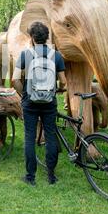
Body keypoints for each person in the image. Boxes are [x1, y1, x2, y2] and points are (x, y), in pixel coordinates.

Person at [12, 22, 67, 186]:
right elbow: (63, 82)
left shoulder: (25, 55)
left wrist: (24, 94)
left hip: (30, 101)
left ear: (32, 38)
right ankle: (51, 175)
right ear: (47, 37)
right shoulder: (56, 56)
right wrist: (56, 90)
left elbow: (15, 79)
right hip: (49, 102)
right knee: (50, 136)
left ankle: (30, 177)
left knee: (30, 137)